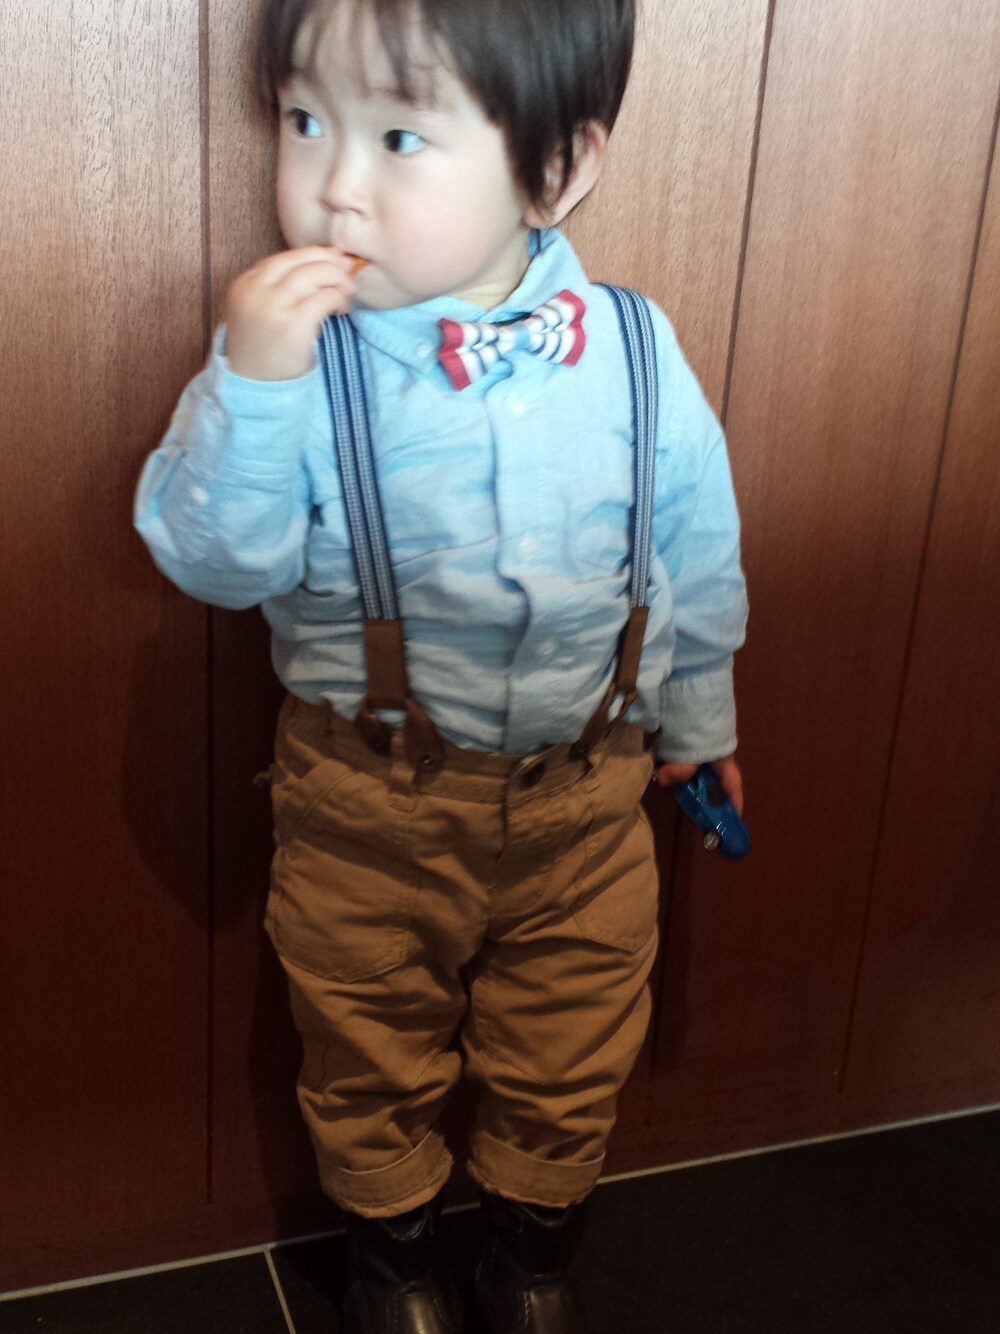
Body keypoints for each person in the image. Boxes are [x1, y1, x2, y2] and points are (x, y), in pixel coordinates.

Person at [135, 0, 748, 1330]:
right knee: (364, 1042)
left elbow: (695, 554)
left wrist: (700, 721)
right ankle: (394, 1264)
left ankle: (531, 1257)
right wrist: (253, 384)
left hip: (590, 797)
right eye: (305, 121)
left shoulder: (637, 348)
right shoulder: (291, 367)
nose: (334, 186)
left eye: (399, 136)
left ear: (555, 169)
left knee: (575, 1040)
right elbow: (216, 564)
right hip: (369, 804)